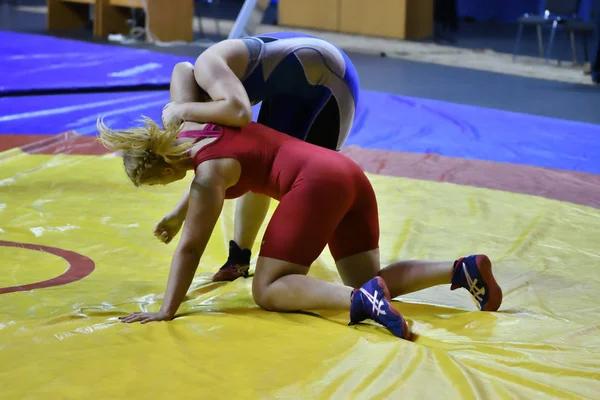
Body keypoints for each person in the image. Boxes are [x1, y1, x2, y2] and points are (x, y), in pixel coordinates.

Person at [97, 114, 503, 340]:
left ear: (167, 169)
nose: (167, 188)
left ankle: (363, 304)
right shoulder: (193, 126)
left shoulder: (206, 179)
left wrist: (166, 310)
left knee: (268, 287)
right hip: (343, 171)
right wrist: (177, 213)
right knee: (368, 278)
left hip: (313, 183)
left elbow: (190, 248)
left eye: (159, 183)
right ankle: (459, 269)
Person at [157, 31, 360, 283]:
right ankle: (239, 259)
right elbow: (209, 162)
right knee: (260, 166)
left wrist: (182, 109)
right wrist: (178, 214)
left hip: (329, 78)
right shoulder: (197, 105)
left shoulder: (207, 70)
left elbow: (240, 113)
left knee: (320, 183)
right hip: (300, 73)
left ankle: (330, 260)